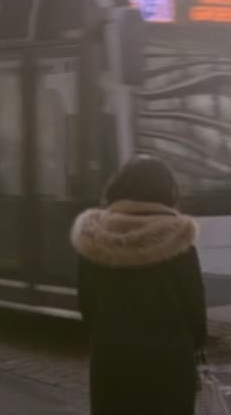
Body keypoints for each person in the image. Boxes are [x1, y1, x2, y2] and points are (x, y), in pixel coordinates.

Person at [71, 156, 206, 415]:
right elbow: (197, 319)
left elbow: (88, 310)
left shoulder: (94, 240)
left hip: (111, 362)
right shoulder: (179, 242)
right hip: (169, 367)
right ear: (168, 193)